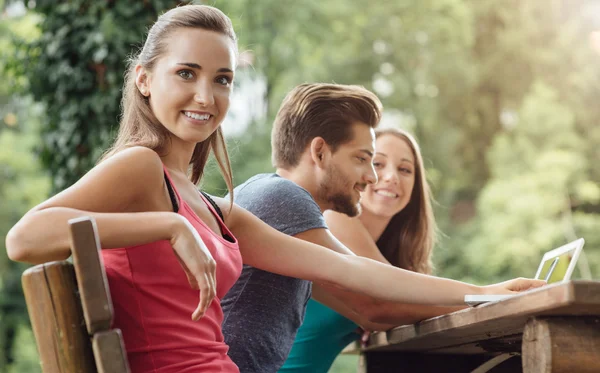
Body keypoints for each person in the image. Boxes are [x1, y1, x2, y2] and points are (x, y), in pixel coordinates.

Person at [5, 5, 544, 373]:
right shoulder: (141, 169)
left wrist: (488, 293)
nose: (206, 95)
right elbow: (24, 238)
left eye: (221, 79)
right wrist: (166, 225)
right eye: (186, 73)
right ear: (145, 79)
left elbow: (353, 270)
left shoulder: (219, 213)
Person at [220, 83, 544, 373]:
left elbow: (366, 306)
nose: (372, 177)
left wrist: (485, 296)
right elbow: (367, 293)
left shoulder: (270, 202)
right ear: (319, 152)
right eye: (363, 159)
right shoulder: (283, 197)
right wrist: (483, 295)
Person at [281, 128, 460, 373]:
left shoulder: (390, 260)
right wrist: (482, 300)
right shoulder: (333, 219)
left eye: (404, 169)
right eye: (377, 163)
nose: (390, 177)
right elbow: (384, 304)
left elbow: (387, 308)